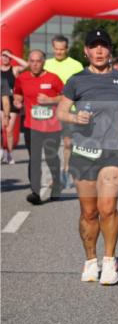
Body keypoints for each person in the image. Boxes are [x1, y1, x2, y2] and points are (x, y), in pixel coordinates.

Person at [56, 29, 118, 286]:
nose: (98, 51)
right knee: (89, 212)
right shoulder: (76, 80)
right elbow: (62, 111)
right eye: (93, 46)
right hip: (84, 151)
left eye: (103, 46)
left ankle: (109, 261)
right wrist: (74, 117)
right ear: (85, 50)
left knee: (108, 208)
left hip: (115, 149)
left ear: (110, 49)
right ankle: (90, 260)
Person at [13, 50, 64, 204]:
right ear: (28, 62)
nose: (35, 64)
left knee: (51, 158)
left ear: (43, 62)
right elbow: (18, 93)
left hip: (52, 126)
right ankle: (35, 192)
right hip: (31, 125)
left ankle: (56, 184)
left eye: (38, 61)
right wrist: (17, 101)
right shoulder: (22, 78)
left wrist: (50, 100)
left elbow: (66, 96)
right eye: (32, 61)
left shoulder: (53, 78)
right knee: (34, 158)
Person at [44, 35, 84, 187]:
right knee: (50, 146)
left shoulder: (76, 65)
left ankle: (65, 172)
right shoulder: (46, 64)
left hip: (70, 110)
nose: (59, 52)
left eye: (62, 49)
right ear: (53, 48)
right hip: (50, 111)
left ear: (67, 48)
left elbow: (81, 88)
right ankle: (55, 176)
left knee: (68, 144)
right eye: (56, 49)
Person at [1, 49, 26, 164]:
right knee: (1, 129)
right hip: (1, 100)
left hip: (12, 101)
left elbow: (26, 65)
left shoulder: (14, 69)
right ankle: (1, 152)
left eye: (7, 56)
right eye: (3, 56)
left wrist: (12, 55)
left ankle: (10, 154)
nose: (5, 58)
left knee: (9, 130)